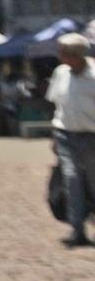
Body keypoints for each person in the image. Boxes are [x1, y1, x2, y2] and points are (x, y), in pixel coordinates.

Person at [48, 33, 95, 247]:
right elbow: (58, 105)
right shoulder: (60, 73)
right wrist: (54, 135)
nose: (60, 56)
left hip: (91, 137)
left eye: (63, 53)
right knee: (71, 179)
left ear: (75, 55)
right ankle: (78, 230)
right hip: (66, 135)